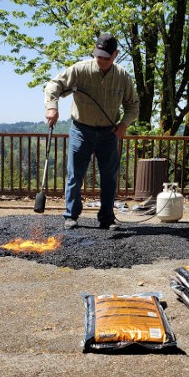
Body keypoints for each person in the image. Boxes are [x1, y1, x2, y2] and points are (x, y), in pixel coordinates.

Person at [44, 33, 140, 230]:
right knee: (75, 175)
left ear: (115, 54)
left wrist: (123, 125)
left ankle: (107, 218)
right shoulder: (80, 70)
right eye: (98, 55)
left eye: (106, 57)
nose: (101, 60)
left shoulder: (122, 77)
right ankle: (71, 216)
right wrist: (52, 107)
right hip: (81, 130)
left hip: (109, 134)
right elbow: (54, 85)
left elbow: (133, 105)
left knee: (109, 177)